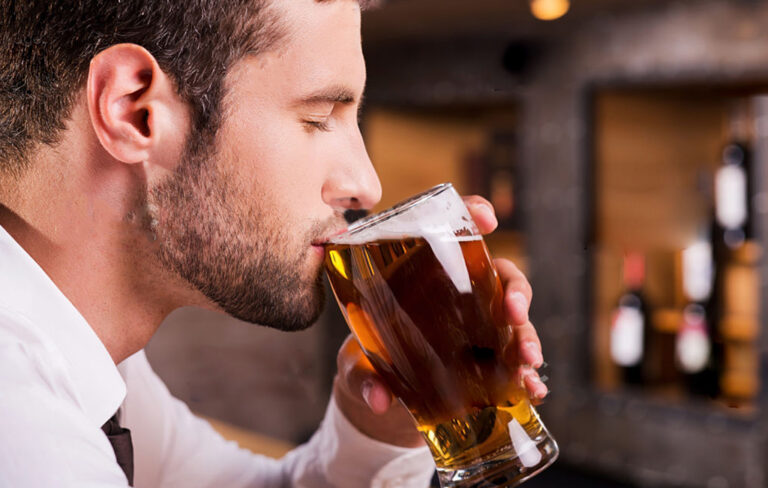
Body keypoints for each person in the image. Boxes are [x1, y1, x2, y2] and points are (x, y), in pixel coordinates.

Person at [0, 0, 549, 486]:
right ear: (133, 111)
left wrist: (376, 427)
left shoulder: (93, 367)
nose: (366, 184)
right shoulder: (25, 435)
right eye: (317, 118)